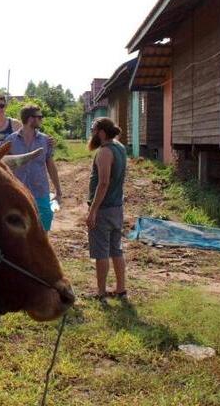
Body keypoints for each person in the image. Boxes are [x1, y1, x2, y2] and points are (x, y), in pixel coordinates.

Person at [85, 117, 128, 303]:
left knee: (101, 252)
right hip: (117, 207)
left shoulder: (104, 152)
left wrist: (93, 210)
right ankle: (120, 289)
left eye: (93, 129)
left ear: (102, 132)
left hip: (103, 210)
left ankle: (101, 292)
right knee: (116, 250)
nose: (92, 133)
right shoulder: (120, 147)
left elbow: (103, 183)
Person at [6, 104, 62, 231]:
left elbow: (50, 165)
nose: (41, 119)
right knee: (20, 231)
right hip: (19, 193)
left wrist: (58, 190)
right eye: (39, 117)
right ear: (31, 119)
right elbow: (5, 166)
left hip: (40, 192)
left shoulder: (45, 140)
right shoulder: (10, 141)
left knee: (42, 229)